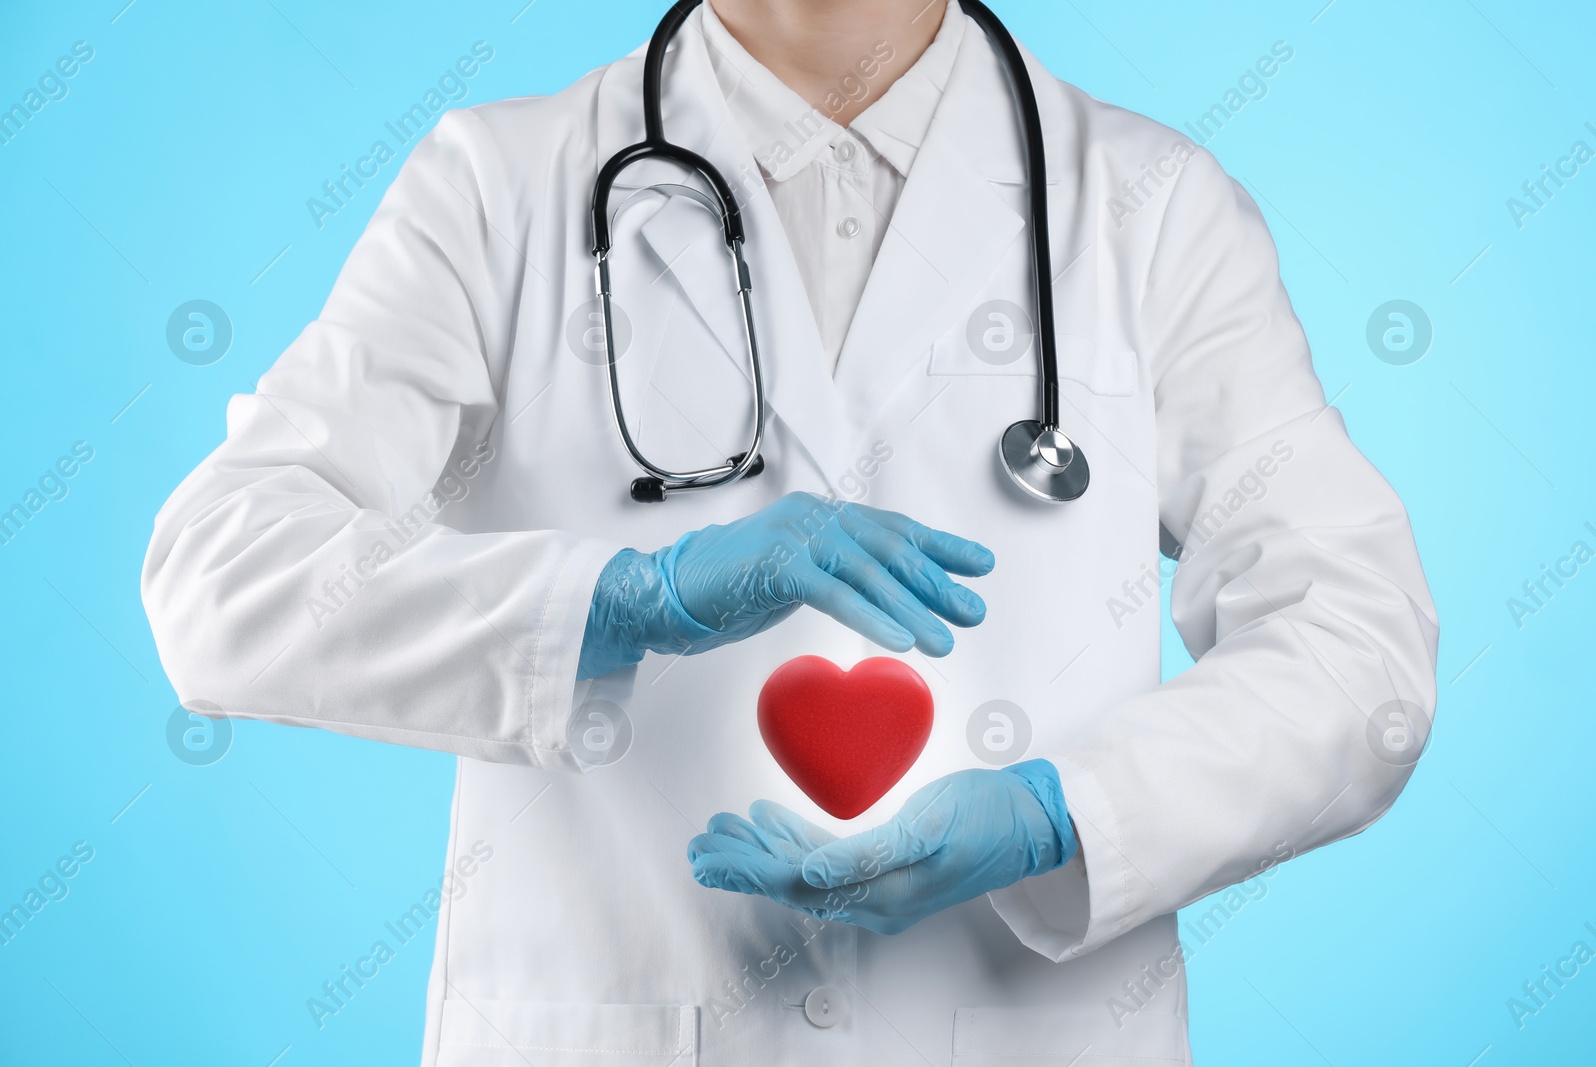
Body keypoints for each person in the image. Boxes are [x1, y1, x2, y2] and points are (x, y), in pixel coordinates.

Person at [142, 0, 1439, 1063]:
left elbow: (1357, 648)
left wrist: (1066, 813)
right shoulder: (500, 187)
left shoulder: (1151, 209)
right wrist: (619, 602)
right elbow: (223, 576)